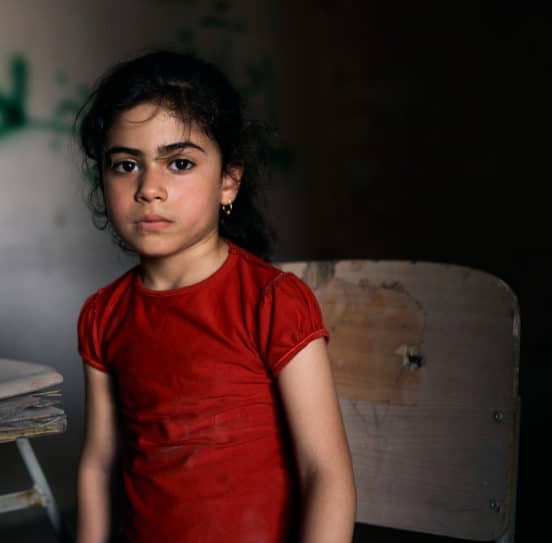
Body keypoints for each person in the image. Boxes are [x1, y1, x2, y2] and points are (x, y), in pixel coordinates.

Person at [75, 50, 356, 543]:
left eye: (178, 163)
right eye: (125, 165)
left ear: (228, 181)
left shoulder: (273, 302)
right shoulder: (103, 315)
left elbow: (325, 473)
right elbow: (99, 465)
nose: (149, 189)